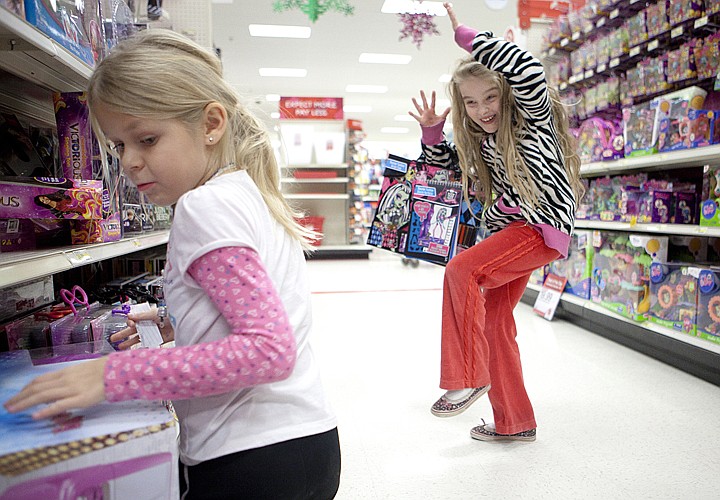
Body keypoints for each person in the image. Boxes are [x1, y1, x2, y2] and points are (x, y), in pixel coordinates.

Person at [5, 29, 341, 499]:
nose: (131, 163)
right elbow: (254, 306)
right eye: (119, 146)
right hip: (302, 443)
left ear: (211, 123)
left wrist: (109, 377)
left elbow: (268, 351)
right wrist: (173, 323)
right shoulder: (245, 193)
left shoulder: (203, 207)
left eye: (147, 139)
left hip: (249, 459)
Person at [408, 3, 583, 442]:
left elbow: (526, 69)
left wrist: (468, 38)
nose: (482, 108)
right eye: (470, 102)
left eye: (490, 97)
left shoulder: (532, 122)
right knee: (494, 321)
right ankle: (515, 422)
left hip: (540, 228)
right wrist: (432, 134)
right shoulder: (483, 143)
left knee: (462, 270)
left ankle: (466, 375)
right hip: (513, 233)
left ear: (507, 94)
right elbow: (447, 171)